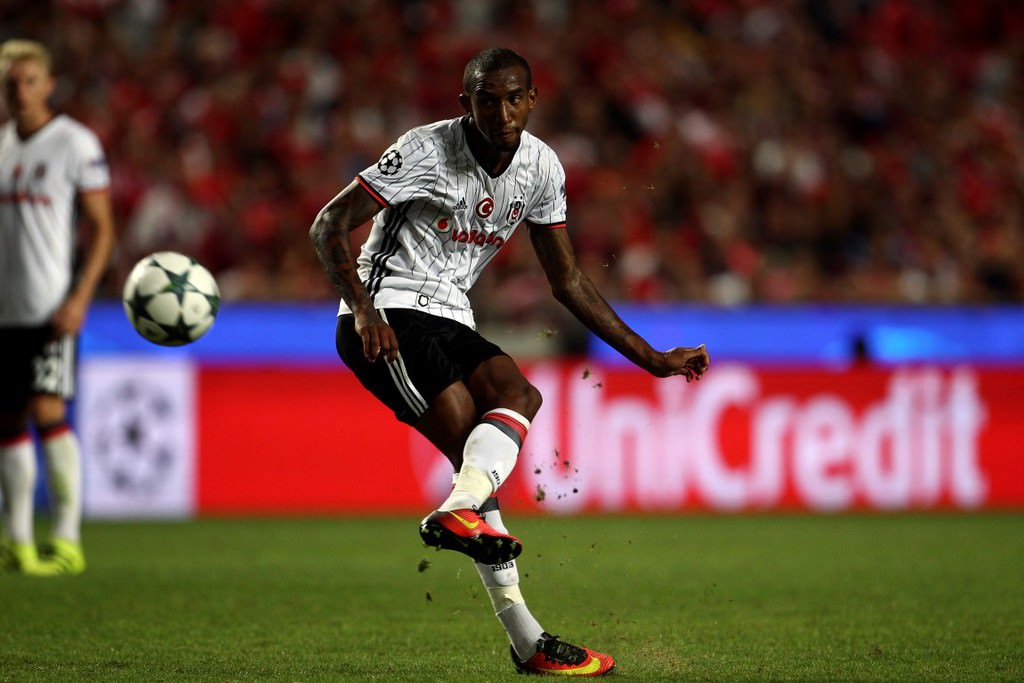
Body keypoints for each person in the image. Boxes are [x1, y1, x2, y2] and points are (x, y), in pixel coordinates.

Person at [310, 47, 709, 676]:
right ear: (465, 102)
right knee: (478, 455)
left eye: (513, 99)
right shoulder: (425, 150)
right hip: (386, 316)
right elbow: (328, 224)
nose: (501, 113)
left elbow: (568, 280)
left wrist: (652, 358)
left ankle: (515, 621)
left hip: (451, 315)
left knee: (511, 411)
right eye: (486, 100)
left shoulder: (541, 167)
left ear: (532, 100)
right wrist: (362, 309)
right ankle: (525, 635)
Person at [0, 39, 115, 576]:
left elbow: (102, 228)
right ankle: (19, 541)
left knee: (48, 410)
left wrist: (79, 297)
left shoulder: (74, 143)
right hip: (4, 310)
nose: (18, 91)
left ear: (47, 84)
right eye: (9, 83)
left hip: (50, 308)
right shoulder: (2, 145)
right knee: (8, 417)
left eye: (27, 81)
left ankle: (67, 539)